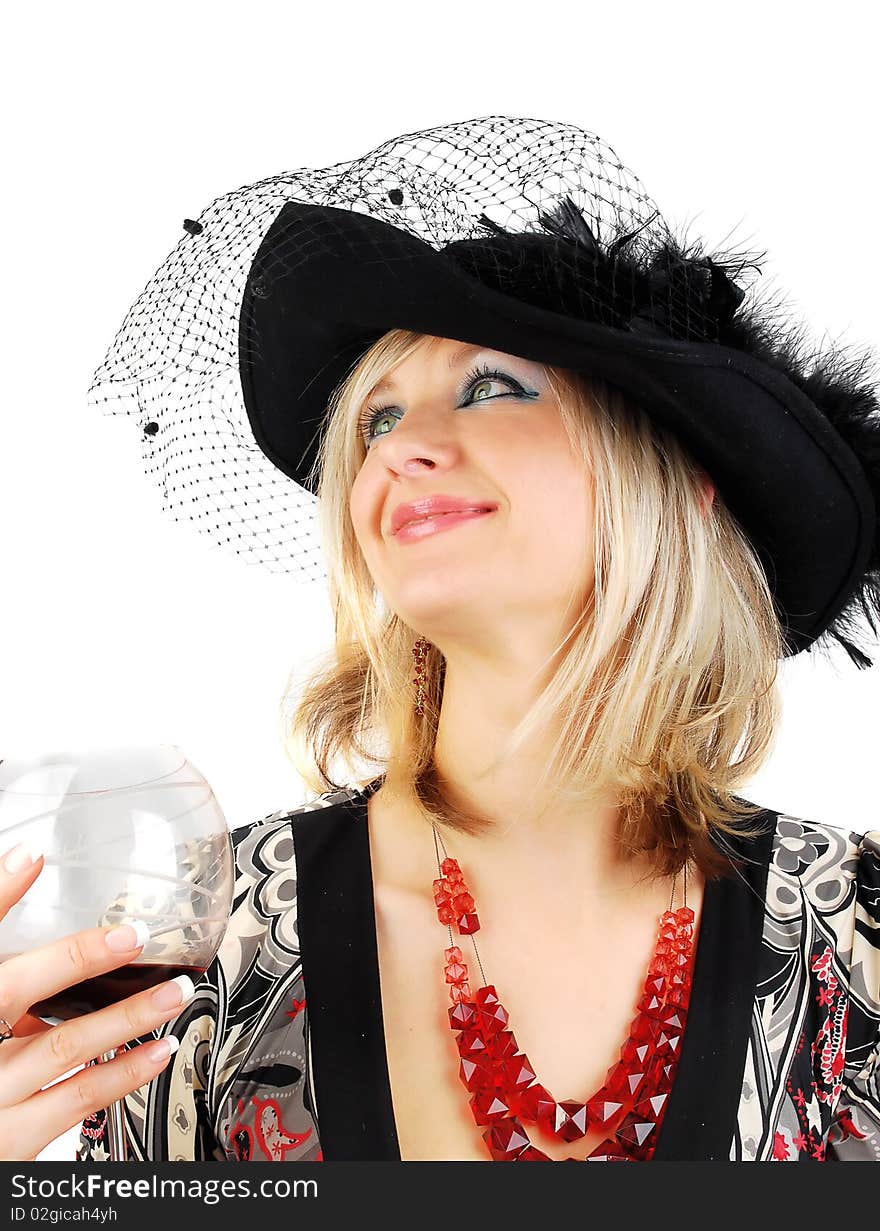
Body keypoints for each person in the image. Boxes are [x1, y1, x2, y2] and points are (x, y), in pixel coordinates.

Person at [1, 116, 878, 1162]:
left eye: (492, 387)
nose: (403, 448)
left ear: (683, 484)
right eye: (373, 422)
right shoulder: (207, 943)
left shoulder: (855, 935)